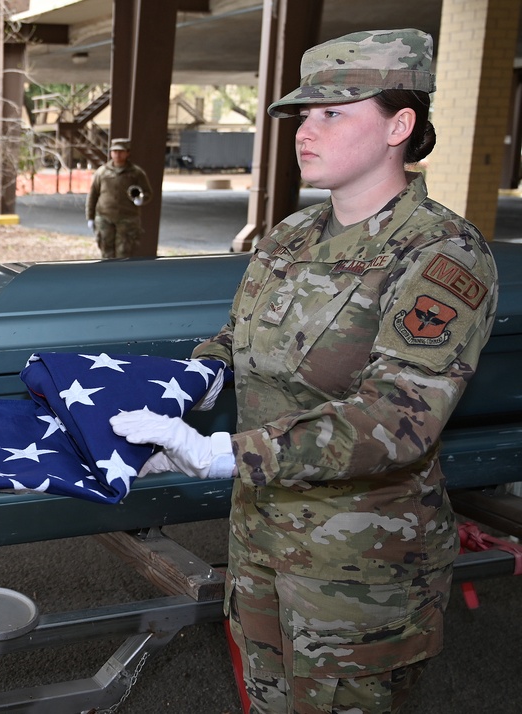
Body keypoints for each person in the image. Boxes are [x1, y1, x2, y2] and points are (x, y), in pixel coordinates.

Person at [111, 28, 498, 713]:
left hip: (357, 575)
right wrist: (188, 383)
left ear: (399, 126)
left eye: (333, 113)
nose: (304, 131)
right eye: (302, 114)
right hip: (261, 543)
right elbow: (235, 340)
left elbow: (397, 420)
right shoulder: (288, 237)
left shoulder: (443, 254)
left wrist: (218, 453)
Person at [86, 138, 153, 258]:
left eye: (121, 151)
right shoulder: (102, 172)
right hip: (105, 218)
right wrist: (90, 217)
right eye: (114, 151)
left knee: (124, 253)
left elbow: (147, 192)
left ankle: (122, 276)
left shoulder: (136, 173)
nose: (117, 154)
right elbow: (93, 195)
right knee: (106, 252)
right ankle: (107, 276)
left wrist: (140, 199)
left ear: (128, 153)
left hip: (128, 219)